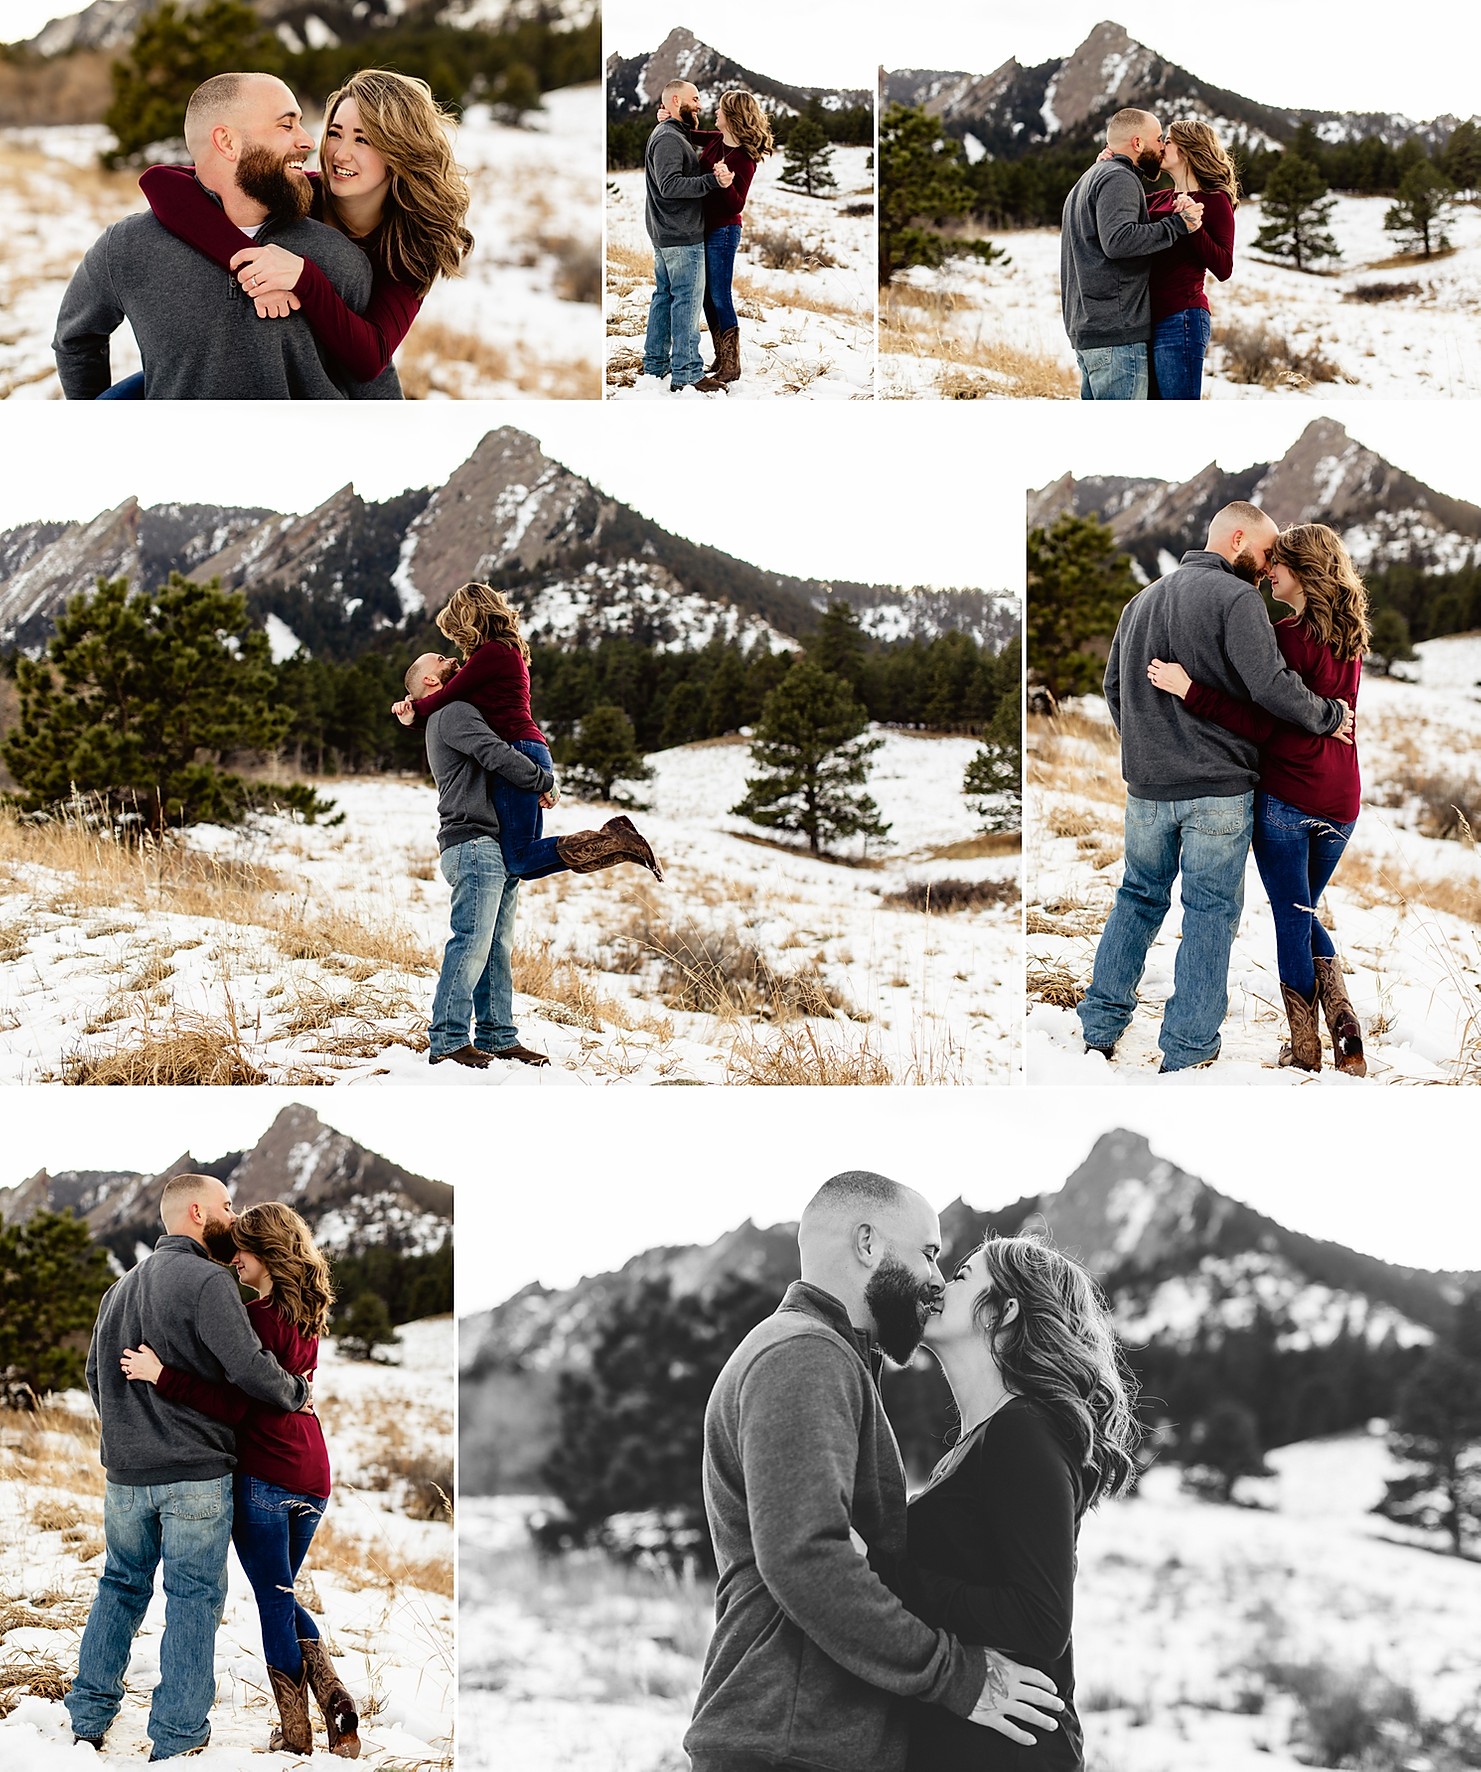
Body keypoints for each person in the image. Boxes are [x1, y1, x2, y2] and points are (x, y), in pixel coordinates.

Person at [684, 1170, 1065, 1772]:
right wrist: (956, 1676)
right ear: (868, 1245)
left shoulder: (823, 1358)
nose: (936, 1281)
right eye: (929, 1254)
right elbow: (808, 1558)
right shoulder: (805, 1354)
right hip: (793, 1742)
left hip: (807, 1739)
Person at [1078, 502, 1355, 1073]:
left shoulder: (1139, 603)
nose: (1266, 565)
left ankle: (1098, 1029)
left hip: (1148, 788)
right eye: (1263, 551)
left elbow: (1113, 687)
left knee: (1136, 898)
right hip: (1220, 790)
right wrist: (1329, 718)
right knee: (1208, 912)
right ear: (1236, 540)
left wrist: (1147, 749)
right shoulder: (1237, 601)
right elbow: (1273, 689)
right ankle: (1188, 1051)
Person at [64, 1175, 309, 1761]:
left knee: (119, 1586)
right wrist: (295, 1392)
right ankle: (176, 1738)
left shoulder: (118, 1290)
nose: (233, 1214)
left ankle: (87, 1718)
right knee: (193, 1599)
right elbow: (249, 1369)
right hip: (196, 1474)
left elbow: (97, 1376)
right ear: (197, 1212)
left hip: (125, 1475)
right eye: (226, 1206)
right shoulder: (209, 1282)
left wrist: (127, 1433)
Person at [120, 1203, 361, 1758]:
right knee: (282, 1589)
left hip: (267, 1474)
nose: (234, 1265)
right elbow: (284, 1388)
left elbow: (234, 1402)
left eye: (241, 1255)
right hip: (313, 1472)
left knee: (274, 1598)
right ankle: (334, 1698)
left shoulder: (255, 1319)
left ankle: (297, 1730)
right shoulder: (308, 1318)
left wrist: (164, 1376)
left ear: (264, 1253)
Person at [904, 1234, 1140, 1771]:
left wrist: (885, 1572)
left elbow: (1042, 1619)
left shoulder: (1022, 1430)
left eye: (962, 1276)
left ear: (1003, 1311)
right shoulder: (987, 1438)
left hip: (1012, 1754)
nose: (939, 1284)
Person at [1147, 523, 1370, 1073]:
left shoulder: (1287, 638)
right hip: (1342, 799)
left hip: (1288, 798)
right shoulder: (1352, 640)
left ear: (1303, 572)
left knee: (1293, 916)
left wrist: (1191, 690)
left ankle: (1304, 1048)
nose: (1269, 571)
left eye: (1279, 564)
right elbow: (1319, 717)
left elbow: (1263, 725)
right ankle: (1341, 1015)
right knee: (1304, 908)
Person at [53, 73, 399, 400]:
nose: (308, 141)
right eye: (286, 124)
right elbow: (76, 339)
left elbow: (372, 381)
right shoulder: (128, 247)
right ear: (227, 141)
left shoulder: (338, 256)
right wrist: (95, 429)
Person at [136, 68, 472, 388]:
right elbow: (160, 180)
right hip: (236, 366)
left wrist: (304, 279)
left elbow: (370, 358)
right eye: (335, 134)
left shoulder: (411, 245)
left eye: (363, 140)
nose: (340, 154)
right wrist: (251, 262)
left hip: (320, 388)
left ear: (400, 151)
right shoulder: (301, 195)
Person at [393, 582, 663, 882]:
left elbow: (446, 697)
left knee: (519, 858)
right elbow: (451, 710)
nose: (457, 642)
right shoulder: (505, 652)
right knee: (522, 862)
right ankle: (618, 847)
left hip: (517, 752)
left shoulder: (492, 653)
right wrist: (414, 720)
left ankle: (613, 838)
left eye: (458, 630)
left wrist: (414, 712)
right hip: (531, 750)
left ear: (471, 618)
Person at [1059, 109, 1201, 401]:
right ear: (1138, 144)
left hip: (1091, 333)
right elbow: (1119, 241)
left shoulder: (1088, 178)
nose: (1162, 146)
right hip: (1116, 336)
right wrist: (1178, 225)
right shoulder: (1118, 178)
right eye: (1158, 139)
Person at [641, 79, 733, 393]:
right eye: (695, 99)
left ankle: (655, 365)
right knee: (687, 303)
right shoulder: (668, 138)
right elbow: (670, 186)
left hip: (668, 231)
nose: (700, 104)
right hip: (680, 235)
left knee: (665, 297)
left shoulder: (673, 132)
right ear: (677, 100)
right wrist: (712, 182)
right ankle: (687, 373)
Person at [1144, 119, 1237, 399]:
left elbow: (1224, 267)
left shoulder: (1214, 200)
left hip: (1181, 318)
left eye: (1168, 141)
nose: (1161, 146)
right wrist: (1109, 163)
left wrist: (1194, 228)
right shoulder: (1157, 199)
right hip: (1143, 320)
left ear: (1186, 149)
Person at [690, 89, 775, 387]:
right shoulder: (716, 139)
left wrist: (725, 183)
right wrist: (667, 119)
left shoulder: (744, 159)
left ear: (733, 116)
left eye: (721, 109)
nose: (715, 112)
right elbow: (690, 132)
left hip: (724, 231)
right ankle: (720, 355)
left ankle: (732, 363)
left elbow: (737, 204)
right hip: (705, 227)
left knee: (720, 294)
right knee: (705, 295)